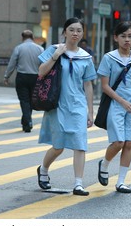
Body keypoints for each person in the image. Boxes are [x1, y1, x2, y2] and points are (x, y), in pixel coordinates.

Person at [36, 17, 96, 196]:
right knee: (58, 146)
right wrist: (56, 56)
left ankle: (78, 184)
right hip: (56, 104)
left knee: (80, 144)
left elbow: (88, 84)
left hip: (77, 105)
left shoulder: (86, 57)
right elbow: (41, 72)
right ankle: (44, 169)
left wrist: (90, 111)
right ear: (64, 32)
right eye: (71, 30)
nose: (75, 33)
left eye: (79, 30)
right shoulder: (54, 50)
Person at [96, 21, 131, 194]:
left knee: (129, 144)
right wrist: (122, 101)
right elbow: (104, 86)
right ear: (116, 38)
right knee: (119, 142)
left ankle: (121, 182)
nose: (126, 39)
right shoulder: (109, 58)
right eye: (123, 36)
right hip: (116, 105)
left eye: (129, 36)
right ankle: (104, 164)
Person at [4, 30, 43, 132]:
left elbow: (12, 63)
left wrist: (7, 76)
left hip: (22, 77)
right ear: (32, 37)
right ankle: (26, 121)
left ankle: (28, 121)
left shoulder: (19, 48)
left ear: (22, 37)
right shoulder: (40, 48)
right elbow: (44, 63)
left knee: (24, 100)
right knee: (31, 100)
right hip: (35, 77)